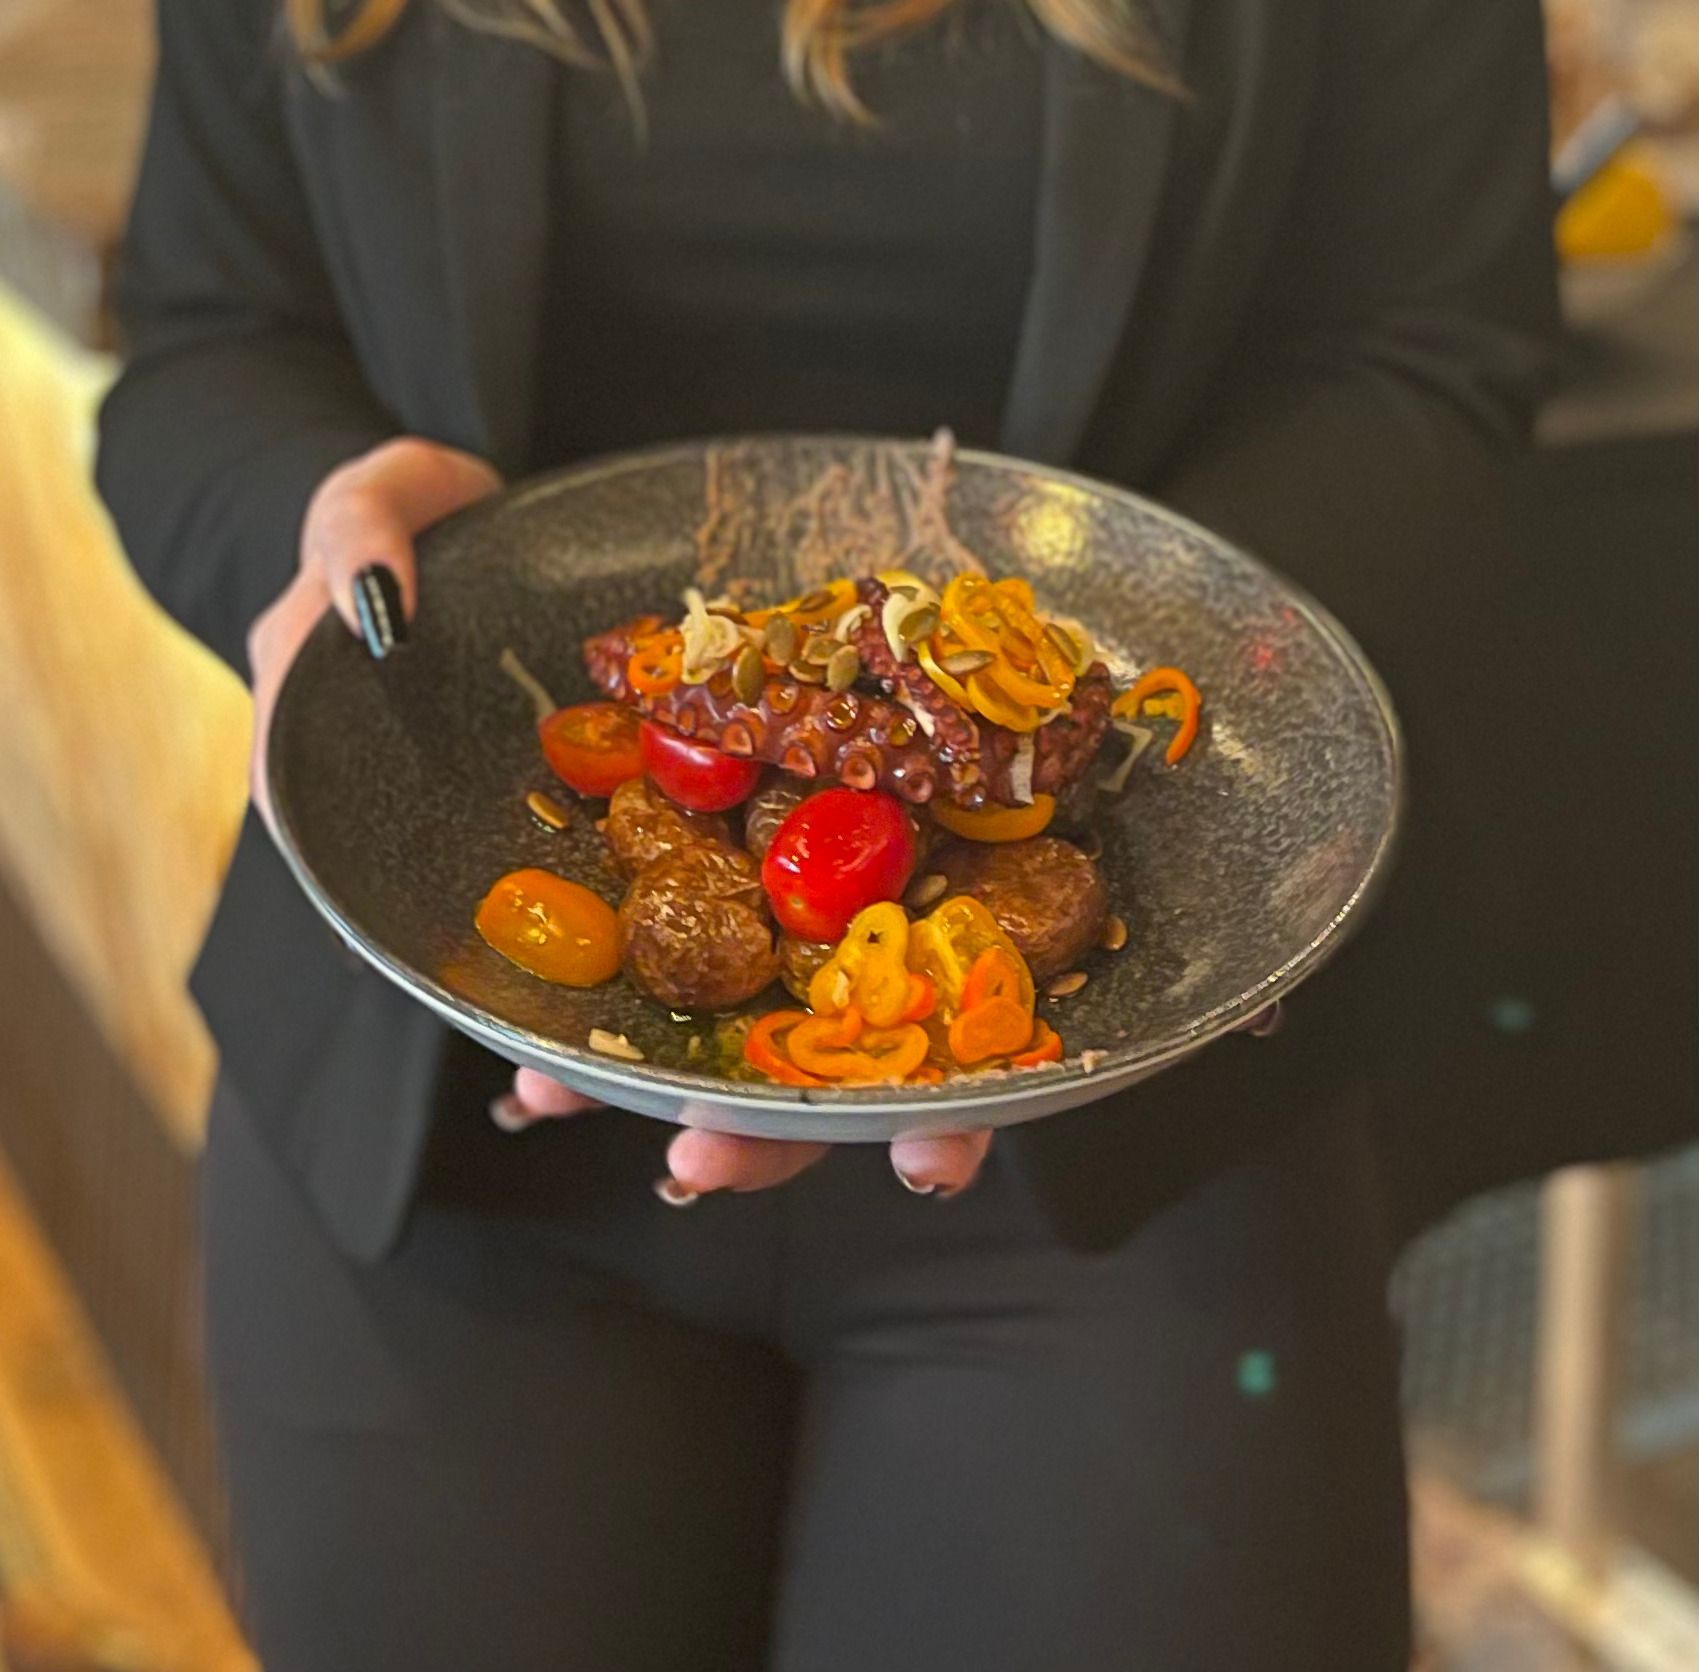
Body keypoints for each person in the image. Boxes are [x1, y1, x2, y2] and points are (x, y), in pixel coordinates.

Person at [96, 0, 1559, 1662]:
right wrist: (315, 534)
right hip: (434, 1117)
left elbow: (1432, 357)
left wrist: (1171, 632)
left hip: (1141, 1134)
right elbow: (207, 343)